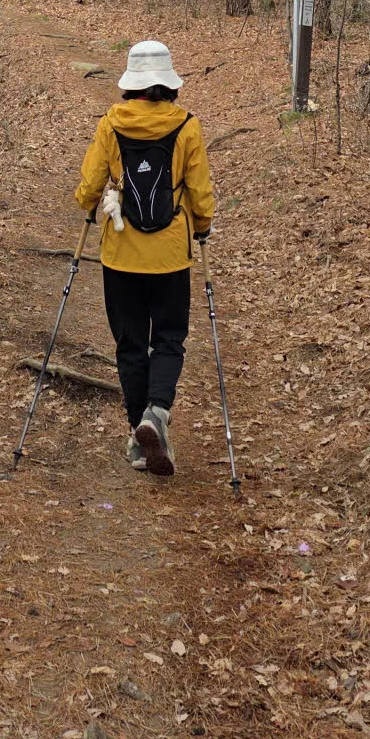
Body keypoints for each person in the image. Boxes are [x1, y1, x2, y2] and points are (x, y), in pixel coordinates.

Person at [76, 39, 215, 477]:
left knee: (130, 344)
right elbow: (200, 191)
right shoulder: (187, 126)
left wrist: (87, 204)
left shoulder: (110, 124)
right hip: (172, 255)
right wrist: (203, 225)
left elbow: (89, 184)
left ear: (131, 84)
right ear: (167, 83)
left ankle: (139, 434)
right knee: (170, 338)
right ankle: (156, 412)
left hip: (120, 255)